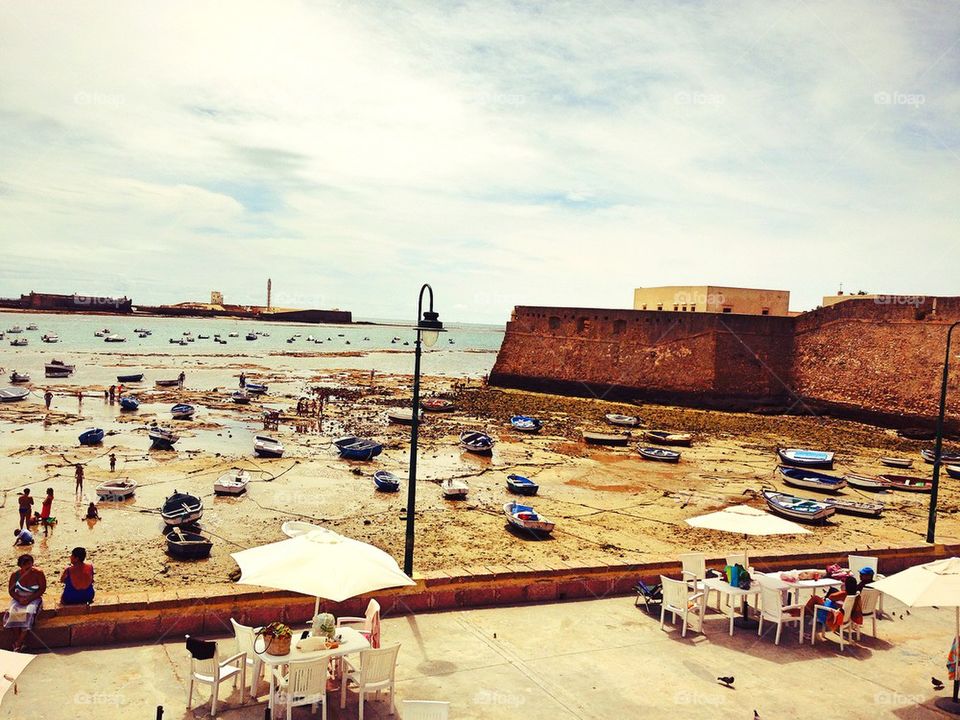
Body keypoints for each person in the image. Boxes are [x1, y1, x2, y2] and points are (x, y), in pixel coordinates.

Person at [4, 554, 46, 651]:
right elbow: (11, 591)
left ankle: (18, 642)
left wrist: (30, 598)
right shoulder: (15, 575)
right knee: (13, 614)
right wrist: (19, 598)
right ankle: (20, 641)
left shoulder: (38, 573)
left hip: (34, 598)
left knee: (28, 613)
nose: (28, 570)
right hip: (19, 598)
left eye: (30, 567)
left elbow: (42, 589)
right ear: (20, 566)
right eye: (25, 568)